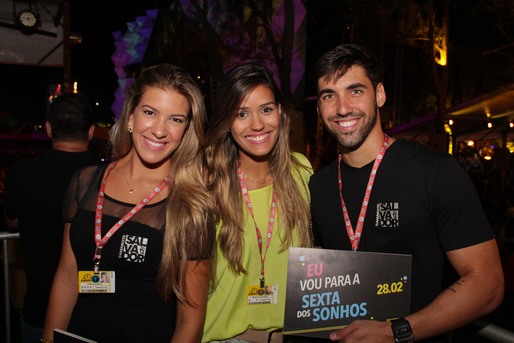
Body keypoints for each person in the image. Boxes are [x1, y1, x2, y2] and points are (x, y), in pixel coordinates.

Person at [309, 43, 504, 343]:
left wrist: (396, 332)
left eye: (356, 91)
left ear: (380, 95)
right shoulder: (319, 186)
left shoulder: (435, 172)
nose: (342, 107)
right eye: (328, 96)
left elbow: (488, 284)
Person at [41, 64, 214, 343]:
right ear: (132, 115)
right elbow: (67, 276)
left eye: (176, 119)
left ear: (186, 130)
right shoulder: (85, 181)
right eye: (150, 112)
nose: (160, 130)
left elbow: (189, 322)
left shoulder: (190, 206)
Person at [202, 62, 313, 343]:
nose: (257, 124)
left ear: (280, 112)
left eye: (265, 109)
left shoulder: (302, 173)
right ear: (227, 123)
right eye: (241, 114)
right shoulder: (209, 184)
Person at [3, 93, 99, 343]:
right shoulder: (109, 176)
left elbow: (11, 221)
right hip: (94, 308)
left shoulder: (22, 173)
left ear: (48, 128)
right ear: (90, 131)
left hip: (40, 309)